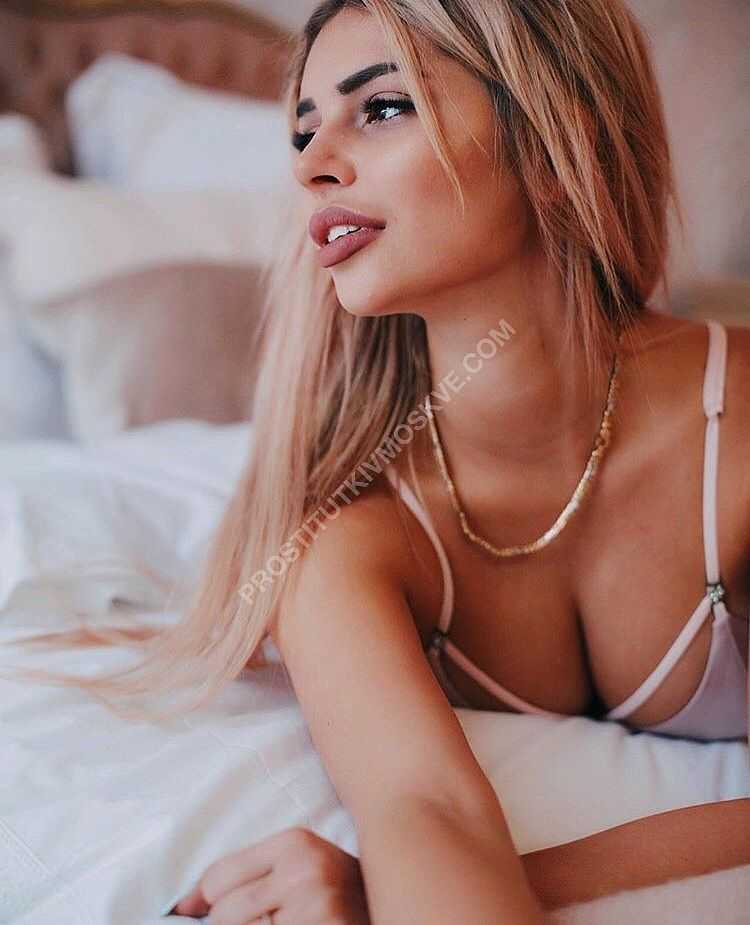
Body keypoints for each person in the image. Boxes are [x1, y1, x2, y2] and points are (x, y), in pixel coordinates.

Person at [11, 1, 749, 923]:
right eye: (303, 130)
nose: (310, 165)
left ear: (558, 144)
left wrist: (474, 884)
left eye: (385, 107)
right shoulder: (344, 541)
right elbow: (425, 812)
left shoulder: (732, 435)